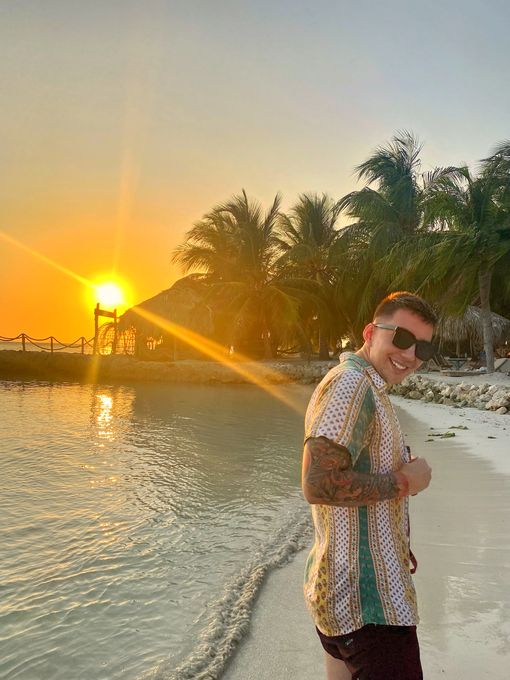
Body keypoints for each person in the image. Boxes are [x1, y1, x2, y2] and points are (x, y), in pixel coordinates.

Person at [301, 291, 437, 680]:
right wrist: (404, 481)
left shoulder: (366, 386)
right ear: (370, 333)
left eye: (423, 348)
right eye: (402, 338)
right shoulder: (352, 385)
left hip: (342, 596)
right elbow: (317, 483)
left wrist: (397, 474)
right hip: (369, 605)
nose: (410, 354)